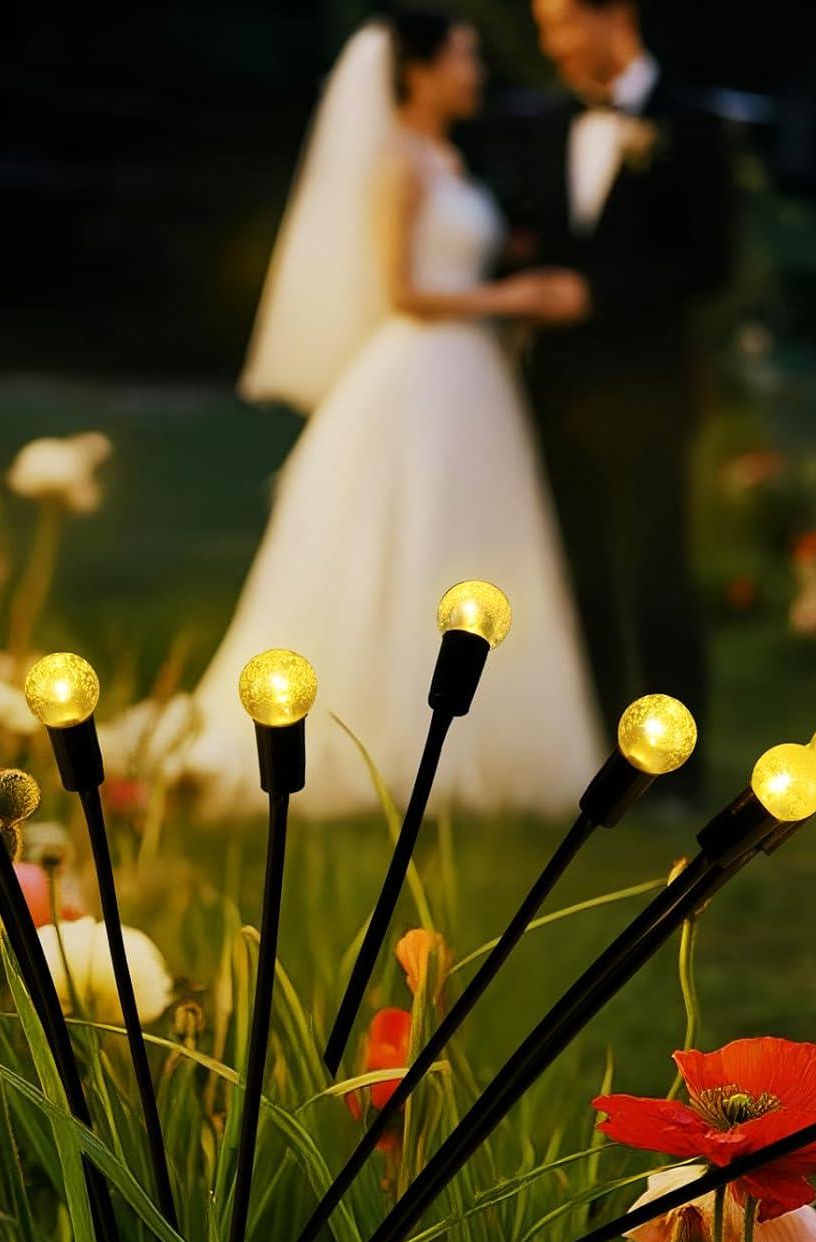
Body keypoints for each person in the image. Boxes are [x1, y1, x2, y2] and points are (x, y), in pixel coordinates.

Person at [172, 10, 603, 818]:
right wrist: (514, 296)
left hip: (471, 382)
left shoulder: (447, 159)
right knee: (402, 545)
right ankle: (378, 735)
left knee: (474, 545)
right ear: (420, 70)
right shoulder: (396, 165)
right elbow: (402, 289)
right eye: (465, 57)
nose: (476, 73)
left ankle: (491, 749)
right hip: (422, 374)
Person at [515, 0, 736, 766]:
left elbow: (711, 264)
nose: (555, 47)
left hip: (647, 387)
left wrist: (597, 295)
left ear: (617, 16)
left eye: (565, 25)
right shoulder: (546, 124)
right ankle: (598, 753)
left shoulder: (694, 126)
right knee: (580, 579)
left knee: (655, 576)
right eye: (546, 30)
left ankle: (676, 764)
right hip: (554, 389)